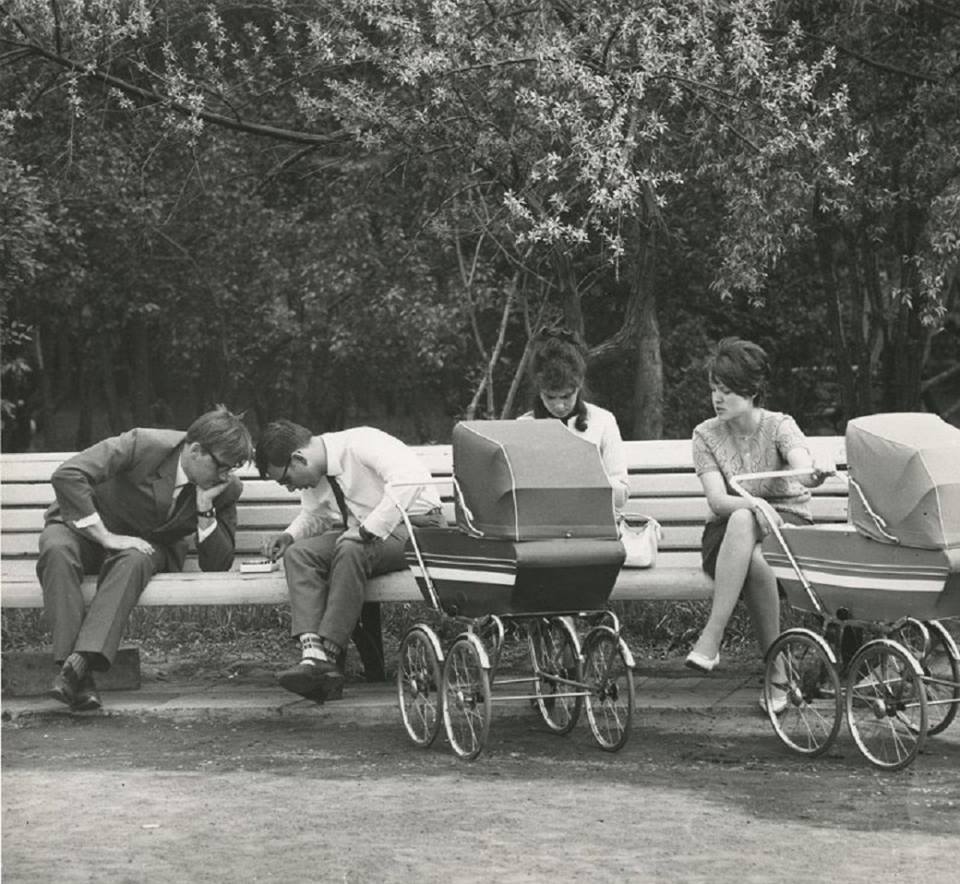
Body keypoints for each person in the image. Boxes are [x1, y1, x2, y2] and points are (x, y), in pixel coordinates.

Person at [38, 406, 253, 711]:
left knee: (135, 559)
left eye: (231, 469)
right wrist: (106, 537)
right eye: (222, 466)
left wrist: (206, 508)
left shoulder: (224, 488)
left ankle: (74, 672)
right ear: (195, 451)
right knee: (56, 548)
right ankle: (78, 674)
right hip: (85, 530)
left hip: (146, 547)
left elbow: (216, 565)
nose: (226, 475)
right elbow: (68, 474)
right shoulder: (143, 444)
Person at [685, 337, 831, 713]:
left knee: (759, 553)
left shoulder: (780, 426)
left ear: (751, 392)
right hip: (727, 535)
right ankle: (773, 668)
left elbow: (803, 467)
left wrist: (814, 474)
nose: (717, 398)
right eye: (714, 388)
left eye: (727, 391)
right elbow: (718, 500)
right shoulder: (705, 435)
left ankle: (717, 642)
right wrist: (757, 506)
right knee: (742, 520)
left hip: (788, 526)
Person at [255, 420, 445, 702]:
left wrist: (368, 530)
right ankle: (312, 655)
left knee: (350, 547)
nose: (290, 489)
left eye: (285, 480)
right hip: (362, 534)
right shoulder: (316, 472)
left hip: (415, 525)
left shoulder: (362, 443)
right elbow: (315, 516)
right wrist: (289, 536)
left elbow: (409, 482)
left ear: (298, 459)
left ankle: (327, 659)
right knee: (300, 554)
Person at [520, 328, 629, 512]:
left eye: (566, 396)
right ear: (539, 391)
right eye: (550, 397)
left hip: (592, 524)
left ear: (579, 386)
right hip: (542, 524)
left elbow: (621, 496)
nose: (559, 406)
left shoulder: (602, 421)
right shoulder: (524, 427)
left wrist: (587, 474)